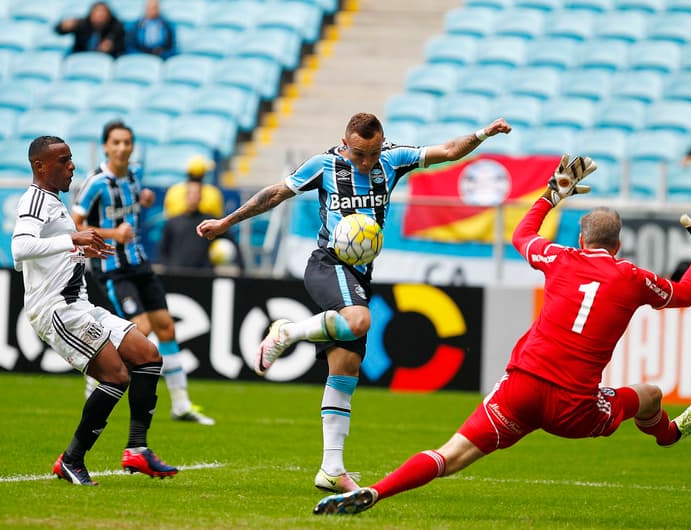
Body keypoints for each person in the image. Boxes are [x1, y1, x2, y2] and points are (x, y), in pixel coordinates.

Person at [312, 155, 691, 515]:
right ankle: (670, 434)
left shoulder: (559, 258)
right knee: (650, 395)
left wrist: (551, 195)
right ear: (618, 246)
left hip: (522, 387)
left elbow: (521, 235)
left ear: (581, 241)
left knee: (450, 455)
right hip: (574, 406)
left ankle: (377, 492)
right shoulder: (633, 278)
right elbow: (687, 293)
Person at [197, 112, 512, 492]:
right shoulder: (324, 166)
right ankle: (288, 332)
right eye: (360, 154)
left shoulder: (392, 160)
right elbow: (274, 194)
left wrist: (484, 132)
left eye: (373, 152)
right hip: (328, 263)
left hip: (360, 273)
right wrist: (226, 223)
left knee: (345, 371)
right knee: (360, 320)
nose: (367, 162)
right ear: (345, 143)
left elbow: (447, 150)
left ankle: (331, 469)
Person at [11, 136, 178, 486]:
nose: (71, 166)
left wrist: (81, 252)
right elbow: (20, 248)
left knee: (148, 355)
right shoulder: (35, 199)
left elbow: (52, 252)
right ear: (40, 166)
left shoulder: (55, 202)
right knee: (116, 376)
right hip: (57, 309)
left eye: (71, 159)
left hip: (80, 304)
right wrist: (73, 240)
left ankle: (137, 449)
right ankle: (71, 460)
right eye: (63, 161)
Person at [72, 120, 215, 425]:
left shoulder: (135, 174)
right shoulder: (95, 182)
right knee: (140, 329)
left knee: (166, 327)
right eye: (116, 143)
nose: (122, 148)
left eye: (127, 142)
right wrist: (112, 233)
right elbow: (76, 226)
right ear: (106, 146)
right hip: (112, 268)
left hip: (139, 262)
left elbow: (131, 202)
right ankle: (95, 377)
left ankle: (181, 404)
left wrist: (143, 199)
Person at [55, 1, 126, 58]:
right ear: (91, 14)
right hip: (80, 56)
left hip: (104, 59)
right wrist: (63, 26)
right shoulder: (82, 24)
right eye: (97, 12)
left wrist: (111, 48)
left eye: (103, 13)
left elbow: (121, 47)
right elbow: (59, 31)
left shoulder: (116, 27)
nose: (99, 16)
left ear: (109, 15)